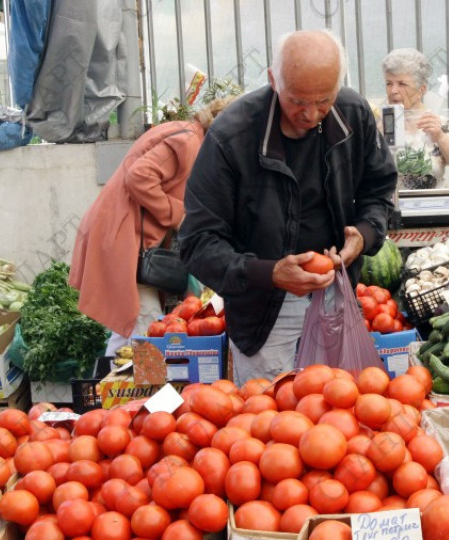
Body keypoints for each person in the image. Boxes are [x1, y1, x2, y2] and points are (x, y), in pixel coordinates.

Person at [178, 30, 398, 385]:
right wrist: (269, 273)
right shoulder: (231, 137)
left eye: (324, 100)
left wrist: (366, 233)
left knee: (339, 419)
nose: (310, 114)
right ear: (272, 80)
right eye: (297, 100)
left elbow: (379, 190)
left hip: (335, 295)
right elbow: (197, 242)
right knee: (270, 425)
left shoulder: (353, 115)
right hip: (263, 313)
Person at [69, 98, 235, 356]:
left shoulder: (191, 137)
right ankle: (132, 391)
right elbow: (139, 176)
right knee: (146, 327)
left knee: (133, 327)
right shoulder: (188, 142)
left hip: (125, 235)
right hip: (124, 237)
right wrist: (178, 215)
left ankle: (112, 390)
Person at [382, 48, 449, 179]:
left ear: (422, 89)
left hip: (433, 199)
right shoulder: (378, 124)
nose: (393, 90)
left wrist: (440, 137)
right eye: (389, 83)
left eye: (402, 84)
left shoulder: (439, 124)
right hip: (390, 199)